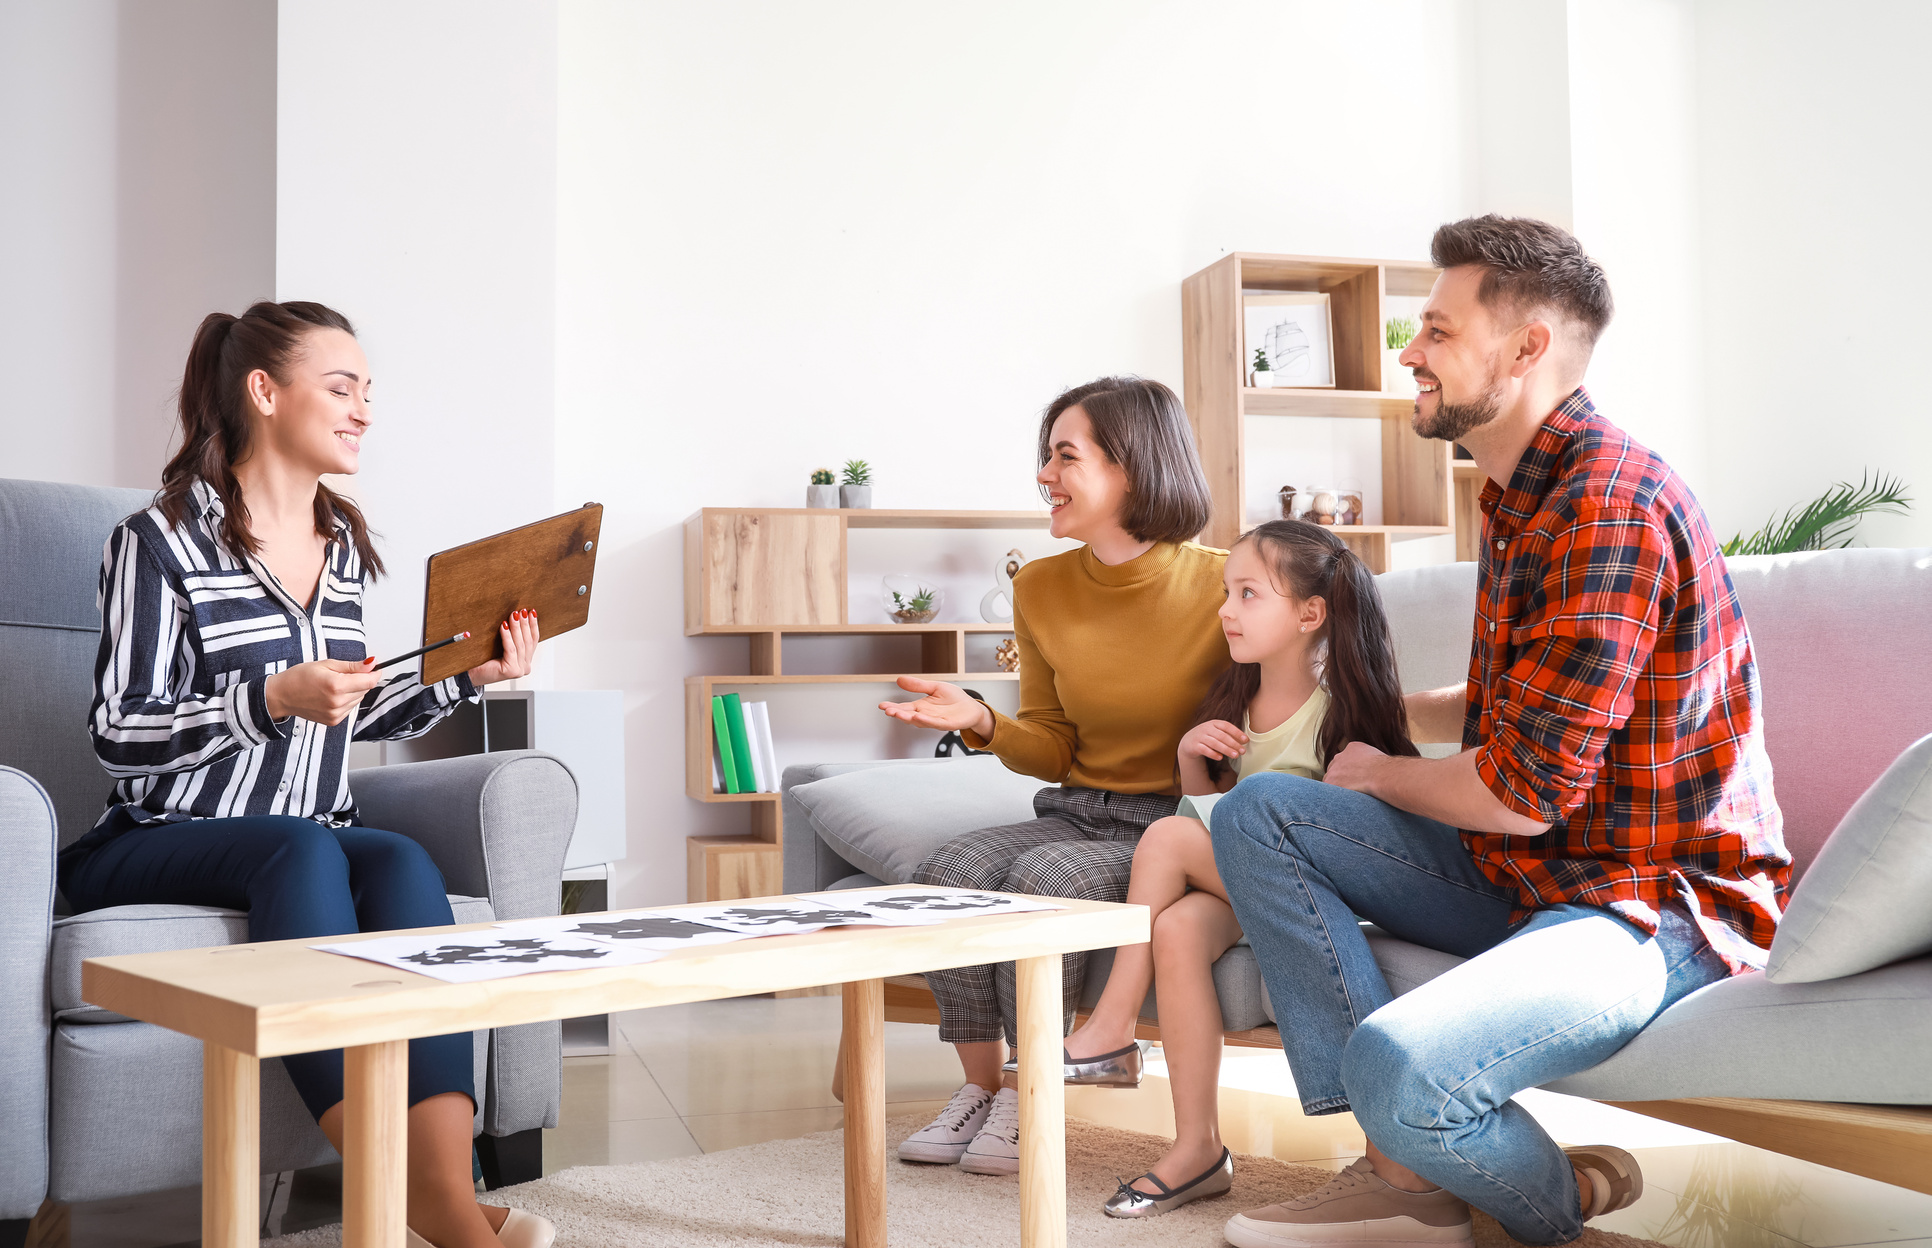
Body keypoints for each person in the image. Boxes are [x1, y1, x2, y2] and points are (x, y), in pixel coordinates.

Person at [1212, 216, 1789, 1248]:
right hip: (1535, 876)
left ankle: (1547, 1200)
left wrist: (1383, 773)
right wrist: (1381, 715)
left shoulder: (1607, 505)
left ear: (1526, 351)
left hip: (1649, 902)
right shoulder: (1519, 496)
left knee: (1401, 1066)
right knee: (1260, 810)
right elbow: (1517, 708)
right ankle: (1402, 1168)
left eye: (1435, 329)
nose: (1409, 353)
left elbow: (1520, 797)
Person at [58, 302, 556, 1248]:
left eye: (370, 393)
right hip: (156, 840)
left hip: (305, 830)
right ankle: (434, 1212)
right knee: (298, 849)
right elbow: (119, 736)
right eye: (341, 388)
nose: (364, 410)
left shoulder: (345, 549)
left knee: (399, 860)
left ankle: (443, 1193)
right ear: (264, 391)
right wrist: (270, 698)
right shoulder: (157, 543)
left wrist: (465, 677)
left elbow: (351, 706)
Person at [876, 376, 1229, 1176]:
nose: (1044, 475)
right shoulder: (1039, 586)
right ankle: (985, 1091)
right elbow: (1057, 743)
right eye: (1045, 456)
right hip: (1078, 804)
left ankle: (1034, 1091)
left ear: (1133, 468)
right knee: (950, 871)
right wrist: (980, 721)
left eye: (1065, 456)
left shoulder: (1224, 583)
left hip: (1170, 824)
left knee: (1044, 876)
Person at [1064, 519, 1419, 1219]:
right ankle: (1197, 1148)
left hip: (1308, 899)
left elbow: (1350, 842)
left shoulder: (1342, 710)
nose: (1225, 609)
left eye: (1248, 593)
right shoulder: (1236, 699)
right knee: (1175, 931)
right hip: (1238, 890)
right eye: (1228, 591)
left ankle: (1110, 1027)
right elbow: (1215, 820)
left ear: (1310, 614)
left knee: (1164, 844)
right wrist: (1192, 763)